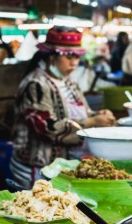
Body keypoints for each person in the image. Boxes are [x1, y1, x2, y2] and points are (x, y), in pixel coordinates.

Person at [10, 26, 116, 187]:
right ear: (51, 57)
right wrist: (91, 122)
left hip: (63, 165)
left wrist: (98, 114)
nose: (74, 62)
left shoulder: (69, 81)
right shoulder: (36, 84)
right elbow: (45, 128)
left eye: (77, 56)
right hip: (37, 168)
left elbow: (84, 112)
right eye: (68, 56)